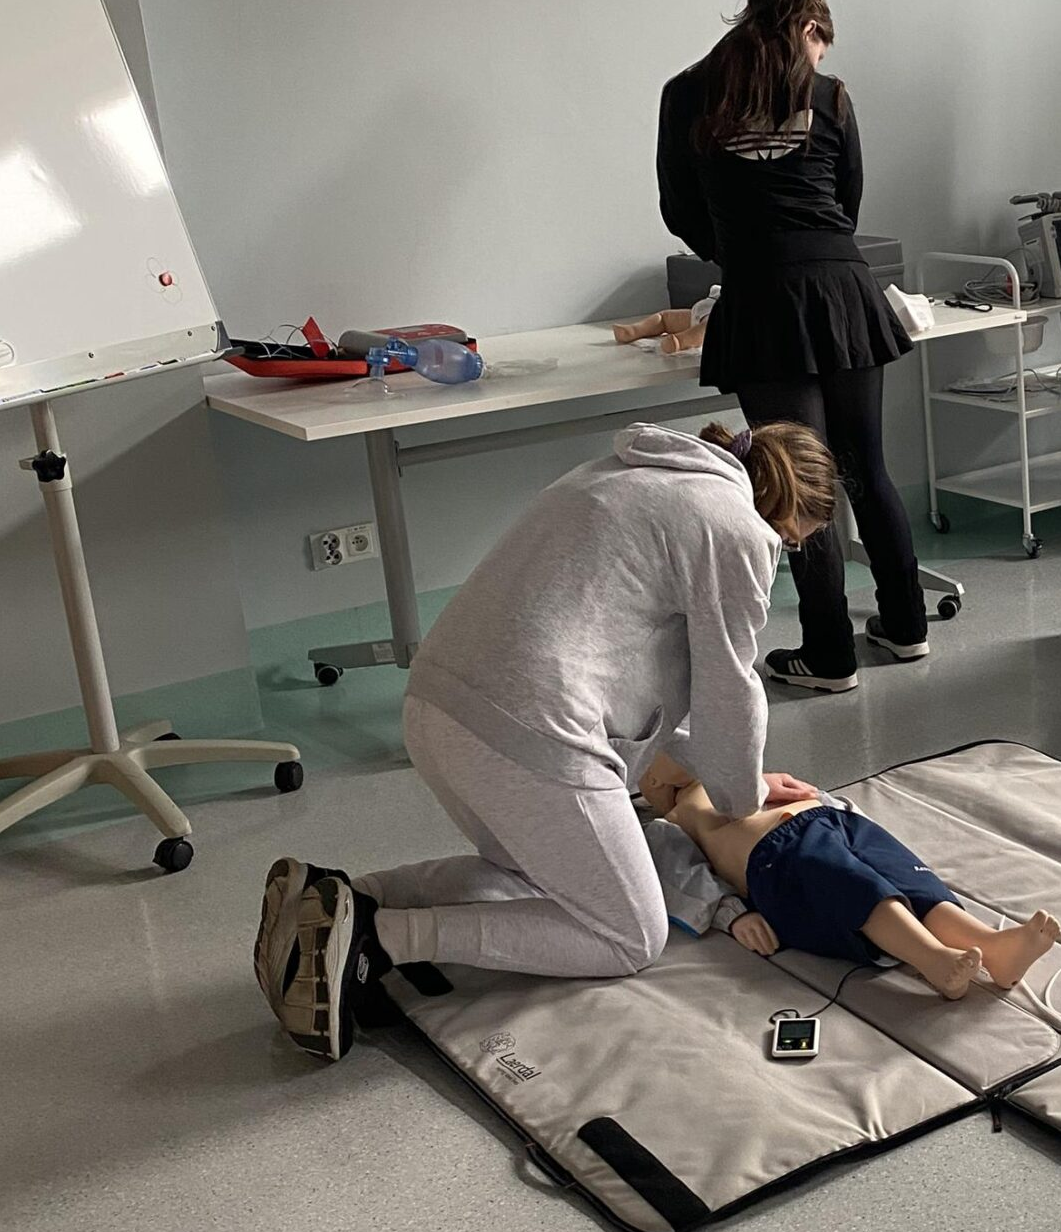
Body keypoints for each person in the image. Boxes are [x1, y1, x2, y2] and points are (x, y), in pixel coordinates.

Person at [253, 419, 835, 1063]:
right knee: (631, 936)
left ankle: (343, 897)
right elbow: (731, 690)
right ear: (785, 510)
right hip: (530, 729)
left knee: (534, 876)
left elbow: (642, 672)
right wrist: (743, 795)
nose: (785, 552)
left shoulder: (628, 471)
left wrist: (733, 774)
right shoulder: (736, 529)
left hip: (435, 705)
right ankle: (380, 937)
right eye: (793, 540)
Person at [657, 0, 927, 691]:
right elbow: (848, 199)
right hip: (843, 287)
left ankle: (830, 654)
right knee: (864, 466)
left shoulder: (688, 94)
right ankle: (906, 626)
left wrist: (738, 250)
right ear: (810, 24)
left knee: (797, 482)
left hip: (761, 296)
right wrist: (815, 249)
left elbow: (679, 209)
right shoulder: (831, 95)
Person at [642, 751, 1061, 1001]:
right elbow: (683, 877)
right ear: (653, 778)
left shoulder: (742, 772)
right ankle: (930, 957)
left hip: (833, 822)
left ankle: (992, 947)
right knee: (854, 887)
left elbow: (806, 792)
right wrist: (733, 914)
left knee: (911, 880)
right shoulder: (671, 822)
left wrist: (845, 815)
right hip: (777, 860)